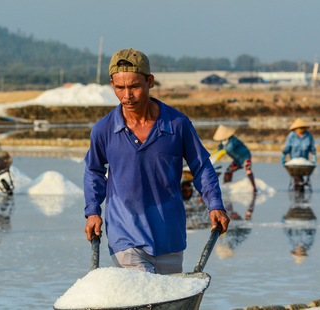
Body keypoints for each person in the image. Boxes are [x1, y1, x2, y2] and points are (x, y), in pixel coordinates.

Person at [83, 48, 230, 275]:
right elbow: (94, 171)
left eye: (134, 87)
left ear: (150, 82)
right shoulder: (104, 130)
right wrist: (93, 211)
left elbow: (200, 166)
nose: (127, 96)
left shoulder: (177, 124)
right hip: (125, 236)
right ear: (112, 84)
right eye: (119, 87)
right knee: (145, 295)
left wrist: (215, 204)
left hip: (169, 236)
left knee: (166, 300)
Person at [211, 125, 257, 193]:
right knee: (228, 172)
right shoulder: (223, 141)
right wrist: (214, 153)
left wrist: (222, 153)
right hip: (237, 160)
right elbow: (220, 147)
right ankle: (226, 186)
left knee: (248, 171)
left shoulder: (233, 140)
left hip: (245, 157)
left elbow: (229, 148)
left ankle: (254, 188)